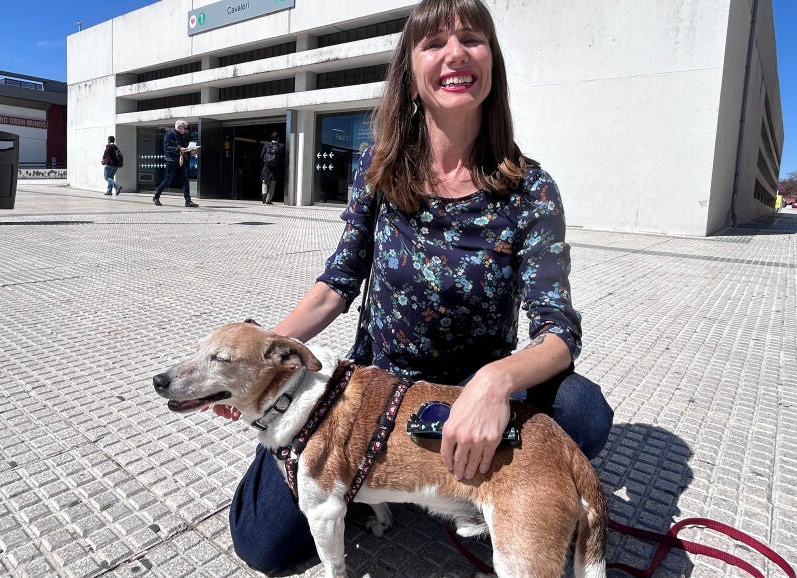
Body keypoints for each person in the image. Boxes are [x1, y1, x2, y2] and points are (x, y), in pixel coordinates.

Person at [223, 0, 614, 571]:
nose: (455, 54)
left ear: (492, 63)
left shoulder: (531, 189)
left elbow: (557, 330)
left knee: (582, 412)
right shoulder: (379, 168)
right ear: (410, 75)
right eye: (433, 44)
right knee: (260, 543)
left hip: (468, 391)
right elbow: (336, 284)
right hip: (375, 390)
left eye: (471, 39)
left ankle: (470, 480)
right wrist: (260, 358)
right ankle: (387, 476)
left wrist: (495, 381)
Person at [153, 120, 198, 207]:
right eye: (184, 128)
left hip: (181, 161)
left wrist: (189, 150)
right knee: (167, 179)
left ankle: (188, 201)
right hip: (172, 161)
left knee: (185, 180)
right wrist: (179, 149)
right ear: (179, 127)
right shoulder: (169, 134)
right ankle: (156, 197)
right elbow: (166, 147)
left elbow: (183, 148)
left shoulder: (181, 136)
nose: (185, 130)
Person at [260, 131, 284, 204]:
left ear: (271, 138)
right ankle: (268, 200)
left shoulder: (266, 145)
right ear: (278, 138)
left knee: (264, 181)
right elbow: (281, 159)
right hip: (275, 168)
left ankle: (264, 192)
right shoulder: (280, 147)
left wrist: (265, 161)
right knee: (272, 185)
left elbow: (261, 155)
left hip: (266, 167)